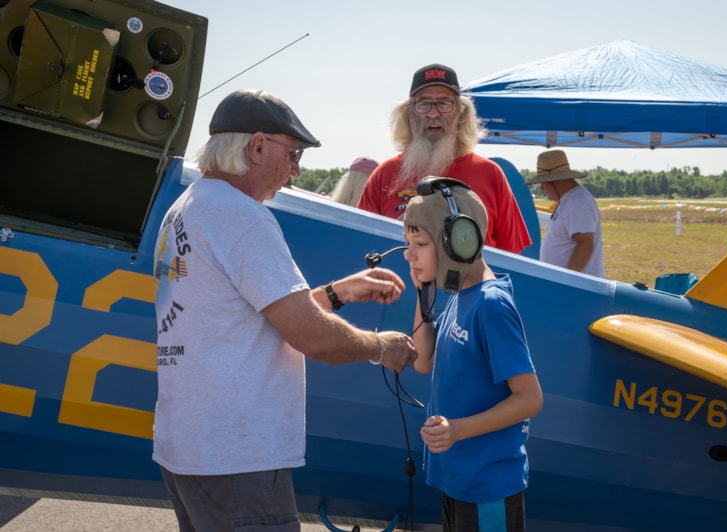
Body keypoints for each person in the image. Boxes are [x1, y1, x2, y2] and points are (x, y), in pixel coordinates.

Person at [152, 88, 417, 531]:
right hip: (237, 455)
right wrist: (381, 346)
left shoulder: (190, 206)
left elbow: (246, 318)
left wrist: (338, 292)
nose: (294, 173)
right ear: (257, 146)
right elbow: (311, 336)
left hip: (191, 448)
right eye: (292, 155)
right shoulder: (243, 215)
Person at [402, 176, 544, 532]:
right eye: (407, 243)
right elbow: (423, 361)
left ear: (460, 242)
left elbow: (529, 399)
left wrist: (457, 430)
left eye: (419, 243)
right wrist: (423, 295)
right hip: (458, 479)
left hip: (487, 487)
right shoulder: (459, 296)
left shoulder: (491, 305)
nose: (409, 254)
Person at [357, 63, 532, 255]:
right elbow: (362, 245)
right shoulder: (385, 174)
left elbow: (511, 256)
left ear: (460, 112)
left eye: (443, 103)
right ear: (409, 113)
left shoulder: (490, 174)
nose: (433, 114)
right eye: (423, 104)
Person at [527, 149, 605, 278]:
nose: (541, 187)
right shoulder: (570, 199)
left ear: (555, 181)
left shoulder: (577, 202)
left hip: (577, 291)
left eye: (543, 182)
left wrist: (567, 280)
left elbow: (585, 244)